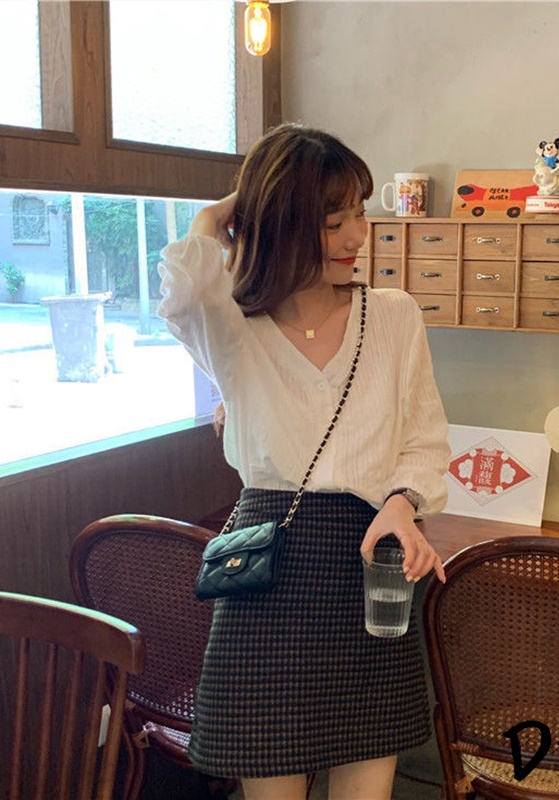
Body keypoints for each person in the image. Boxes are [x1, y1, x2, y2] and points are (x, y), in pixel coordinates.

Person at [158, 123, 450, 800]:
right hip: (267, 577)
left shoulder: (395, 315)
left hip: (368, 570)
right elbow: (184, 294)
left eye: (360, 215)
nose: (357, 237)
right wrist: (221, 213)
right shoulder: (233, 326)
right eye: (331, 220)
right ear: (281, 222)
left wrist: (402, 503)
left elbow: (425, 439)